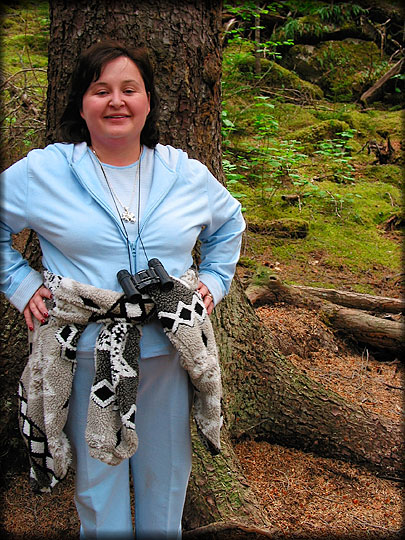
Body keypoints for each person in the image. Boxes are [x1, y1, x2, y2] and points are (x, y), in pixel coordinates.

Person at [0, 40, 245, 539]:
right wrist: (20, 282)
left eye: (129, 89)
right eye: (101, 90)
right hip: (86, 356)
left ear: (148, 101)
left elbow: (229, 225)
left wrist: (214, 282)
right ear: (81, 104)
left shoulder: (183, 173)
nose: (117, 101)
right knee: (98, 489)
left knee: (167, 483)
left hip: (169, 356)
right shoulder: (44, 172)